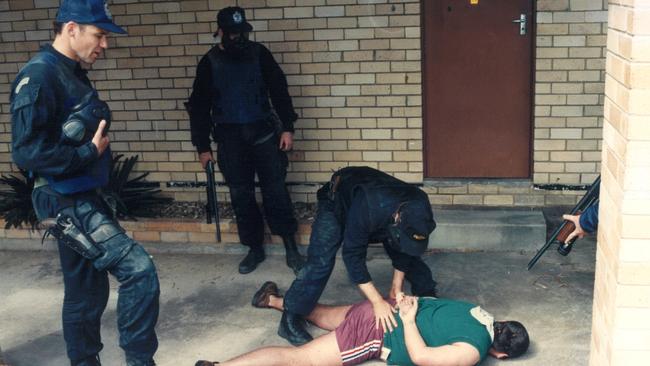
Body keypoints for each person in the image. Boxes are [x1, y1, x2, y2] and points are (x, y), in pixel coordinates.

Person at [10, 1, 159, 365]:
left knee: (86, 294)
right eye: (100, 34)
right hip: (63, 197)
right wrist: (87, 155)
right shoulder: (40, 75)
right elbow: (27, 152)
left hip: (80, 193)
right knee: (139, 271)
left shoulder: (70, 71)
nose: (104, 44)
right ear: (72, 28)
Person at [186, 6, 304, 275]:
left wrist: (287, 128)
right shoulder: (210, 62)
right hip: (230, 141)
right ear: (221, 32)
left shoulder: (260, 54)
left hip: (264, 136)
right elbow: (199, 107)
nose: (238, 38)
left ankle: (290, 247)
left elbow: (279, 90)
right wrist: (202, 147)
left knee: (276, 192)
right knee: (241, 196)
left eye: (242, 33)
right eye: (233, 33)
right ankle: (254, 248)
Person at [279, 166, 439, 346]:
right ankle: (291, 315)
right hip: (338, 199)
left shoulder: (420, 205)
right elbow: (352, 255)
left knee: (407, 250)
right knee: (321, 261)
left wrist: (396, 287)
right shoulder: (370, 207)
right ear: (397, 218)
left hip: (377, 204)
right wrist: (377, 301)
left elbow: (406, 248)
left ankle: (427, 295)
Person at [194, 281, 530, 366]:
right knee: (302, 359)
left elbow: (427, 304)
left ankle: (273, 300)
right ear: (501, 355)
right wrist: (408, 321)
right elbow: (421, 358)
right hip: (379, 328)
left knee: (327, 316)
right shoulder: (474, 351)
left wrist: (403, 307)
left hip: (380, 308)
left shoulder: (475, 310)